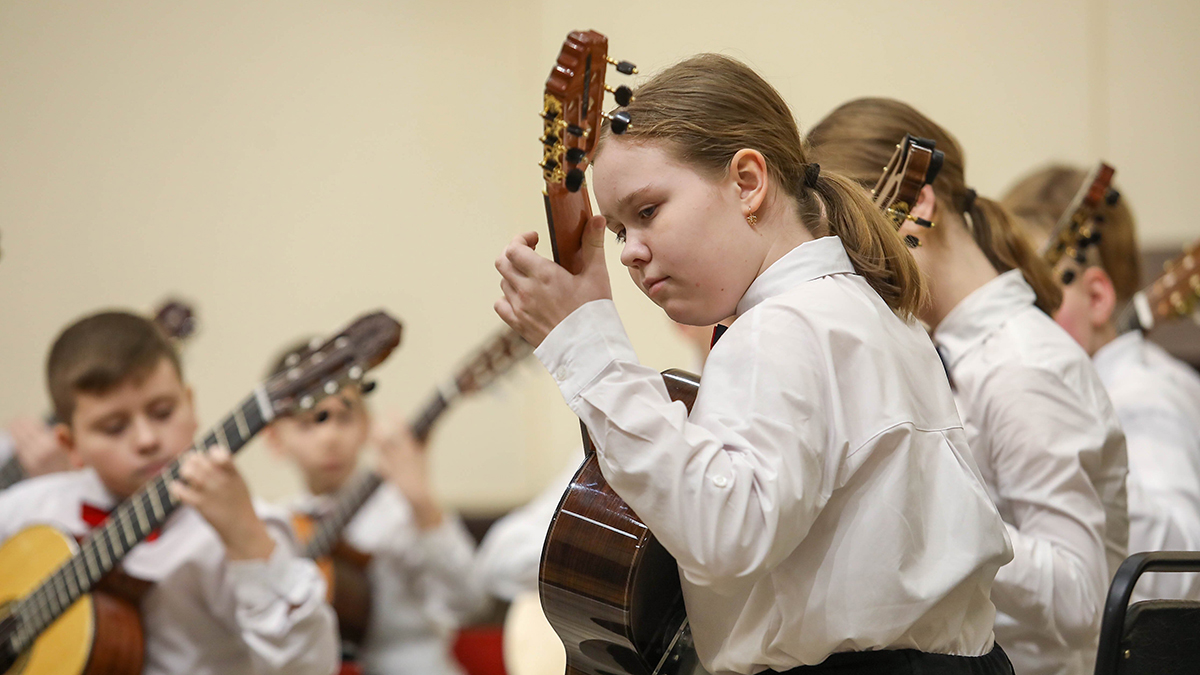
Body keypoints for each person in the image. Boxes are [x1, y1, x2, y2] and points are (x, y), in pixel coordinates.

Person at [494, 54, 1013, 675]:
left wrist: (587, 347)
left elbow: (726, 533)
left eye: (649, 211)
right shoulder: (874, 314)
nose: (631, 252)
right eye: (619, 231)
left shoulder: (781, 326)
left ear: (747, 181)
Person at [806, 98, 1129, 675]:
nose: (843, 275)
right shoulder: (938, 350)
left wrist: (936, 511)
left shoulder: (1022, 365)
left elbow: (1082, 597)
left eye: (846, 244)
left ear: (917, 203)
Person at [0, 311, 338, 675]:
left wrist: (248, 541)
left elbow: (310, 667)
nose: (147, 439)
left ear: (190, 405)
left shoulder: (250, 526)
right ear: (71, 443)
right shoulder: (30, 509)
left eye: (162, 412)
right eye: (114, 427)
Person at [1005, 165, 1200, 602]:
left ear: (1095, 298)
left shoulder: (1146, 393)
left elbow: (1176, 569)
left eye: (1030, 298)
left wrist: (1062, 435)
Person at [265, 340, 488, 675]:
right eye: (310, 422)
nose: (330, 436)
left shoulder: (401, 511)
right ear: (274, 439)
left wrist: (422, 503)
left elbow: (471, 603)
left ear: (367, 425)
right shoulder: (278, 524)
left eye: (345, 417)